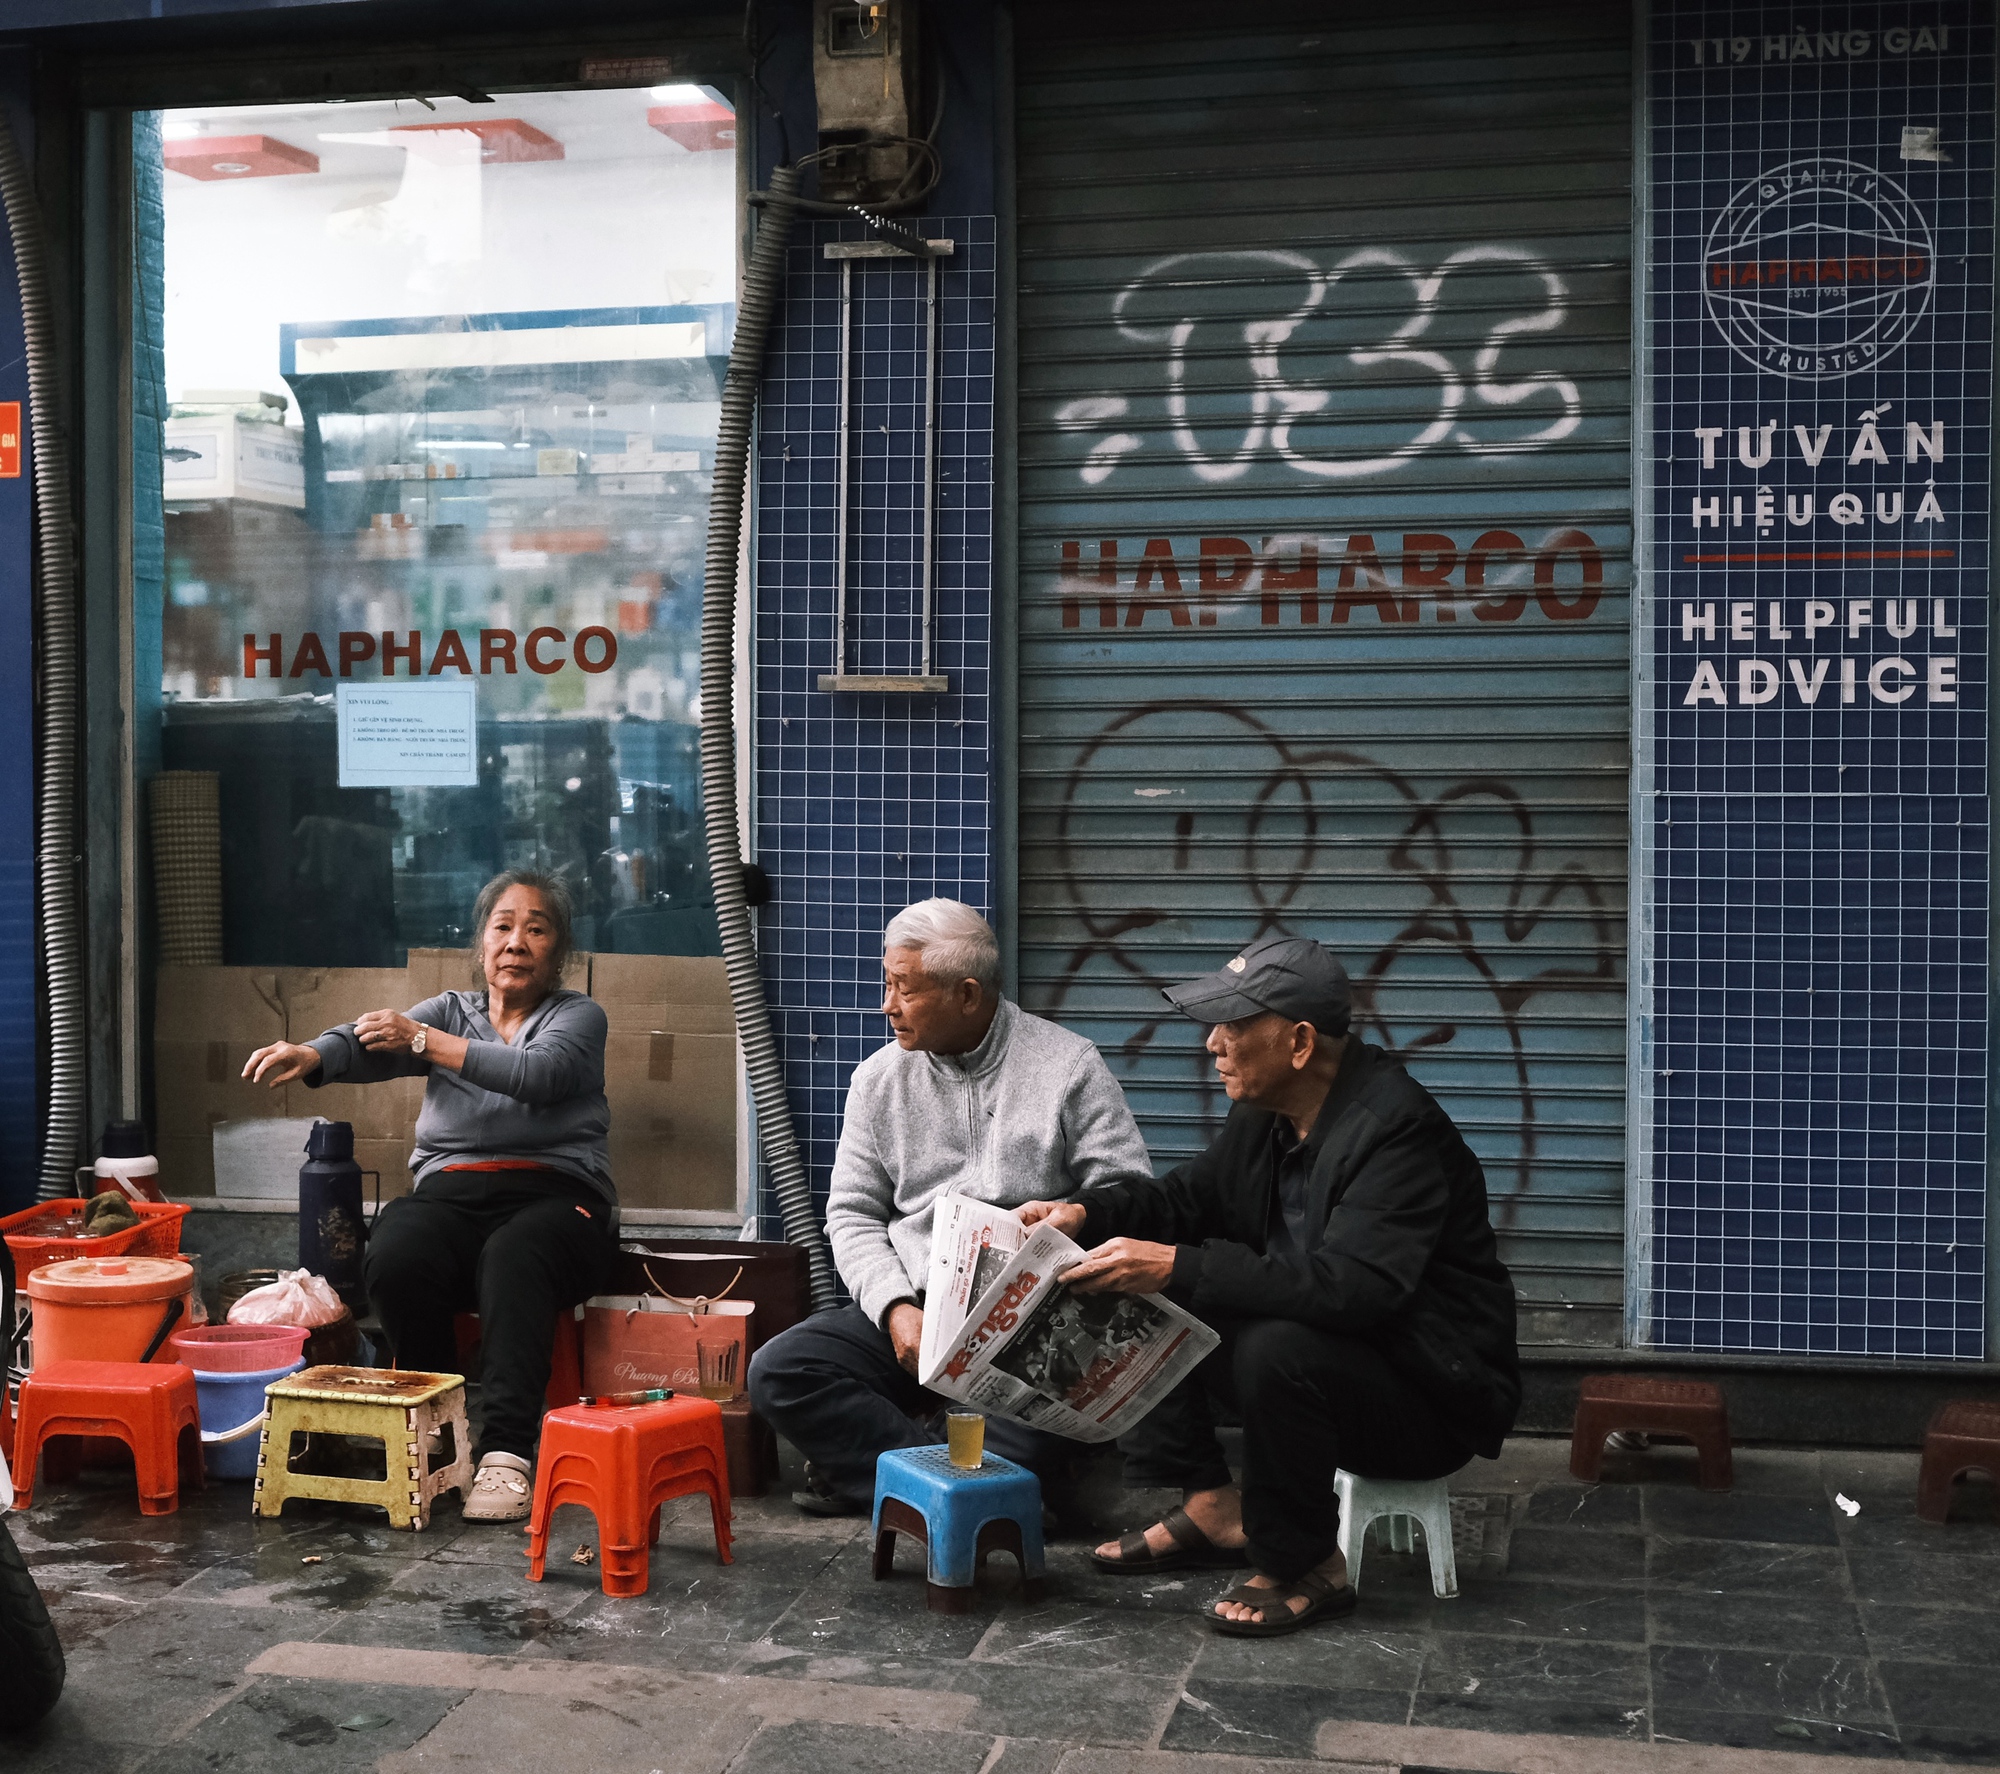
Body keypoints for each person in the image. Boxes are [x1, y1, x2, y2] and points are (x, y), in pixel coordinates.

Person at [1021, 933, 1519, 1637]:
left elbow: (1353, 1289)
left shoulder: (1397, 1131)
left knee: (1270, 1340)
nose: (1213, 1045)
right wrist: (1085, 1212)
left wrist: (1178, 1264)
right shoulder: (1269, 1115)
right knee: (1136, 1284)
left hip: (1427, 1396)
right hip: (1334, 1362)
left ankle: (1308, 1562)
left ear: (1299, 1042)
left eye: (1233, 1027)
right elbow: (1187, 1199)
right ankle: (1210, 1505)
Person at [748, 898, 1153, 1516]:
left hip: (1034, 1321)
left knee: (1036, 1434)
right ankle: (949, 1484)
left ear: (967, 994)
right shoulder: (878, 1081)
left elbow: (1129, 1193)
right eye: (886, 984)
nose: (887, 1006)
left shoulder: (1069, 1066)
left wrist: (1069, 1216)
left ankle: (893, 1477)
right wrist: (894, 1308)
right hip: (920, 1308)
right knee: (780, 1370)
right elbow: (851, 1213)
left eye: (903, 989)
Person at [242, 868, 614, 1523]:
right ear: (480, 946)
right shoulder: (448, 1011)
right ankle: (439, 1429)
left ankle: (505, 1456)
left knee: (515, 1255)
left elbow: (538, 1074)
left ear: (559, 953)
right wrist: (314, 1053)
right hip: (451, 1195)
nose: (517, 942)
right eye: (503, 927)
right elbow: (374, 1043)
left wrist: (426, 1043)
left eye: (537, 928)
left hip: (558, 1201)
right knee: (395, 1254)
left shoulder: (578, 1017)